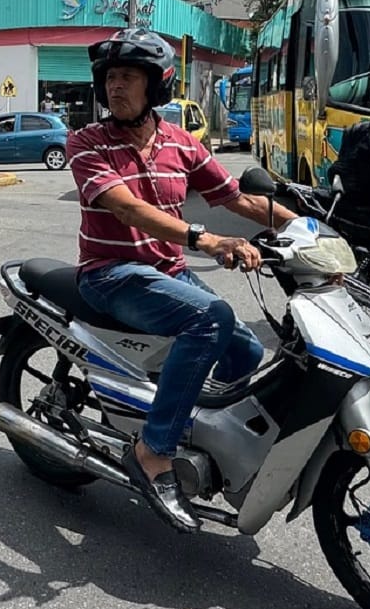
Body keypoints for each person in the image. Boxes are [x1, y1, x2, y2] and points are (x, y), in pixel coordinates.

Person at [66, 28, 297, 534]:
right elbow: (125, 207)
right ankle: (153, 450)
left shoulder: (180, 143)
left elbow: (236, 198)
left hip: (168, 271)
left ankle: (194, 424)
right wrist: (206, 239)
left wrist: (305, 224)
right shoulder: (87, 142)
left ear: (157, 85)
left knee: (247, 353)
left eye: (128, 77)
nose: (115, 87)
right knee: (210, 318)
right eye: (109, 78)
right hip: (111, 274)